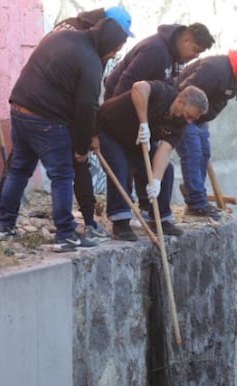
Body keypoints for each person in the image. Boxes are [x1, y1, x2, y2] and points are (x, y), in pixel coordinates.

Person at [0, 15, 129, 252]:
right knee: (62, 175)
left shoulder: (62, 36)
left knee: (19, 170)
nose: (113, 55)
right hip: (46, 119)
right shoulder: (91, 62)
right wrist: (81, 147)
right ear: (107, 43)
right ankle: (66, 233)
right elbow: (87, 108)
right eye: (114, 50)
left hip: (19, 108)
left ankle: (4, 225)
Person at [48, 6, 135, 242]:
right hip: (58, 110)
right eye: (117, 44)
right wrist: (87, 138)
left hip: (54, 105)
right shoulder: (82, 42)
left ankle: (5, 219)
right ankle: (74, 225)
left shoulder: (78, 33)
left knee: (31, 163)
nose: (116, 51)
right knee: (73, 166)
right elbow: (87, 101)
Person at [97, 81, 209, 241]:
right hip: (109, 130)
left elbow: (164, 151)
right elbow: (138, 87)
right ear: (180, 102)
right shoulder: (163, 93)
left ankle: (159, 219)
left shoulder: (180, 123)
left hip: (135, 141)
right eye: (189, 116)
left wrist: (155, 181)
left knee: (167, 170)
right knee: (121, 167)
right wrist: (144, 124)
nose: (190, 121)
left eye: (194, 119)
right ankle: (120, 221)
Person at [176, 51, 237, 219]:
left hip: (199, 117)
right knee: (192, 152)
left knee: (204, 152)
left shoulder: (234, 79)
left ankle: (196, 200)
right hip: (185, 112)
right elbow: (183, 90)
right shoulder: (216, 70)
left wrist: (205, 118)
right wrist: (185, 116)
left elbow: (214, 100)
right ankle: (196, 202)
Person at [104, 23, 215, 98]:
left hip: (140, 103)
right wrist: (114, 116)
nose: (196, 56)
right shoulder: (155, 50)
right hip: (118, 99)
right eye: (195, 50)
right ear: (186, 40)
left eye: (200, 53)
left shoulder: (178, 57)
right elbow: (127, 81)